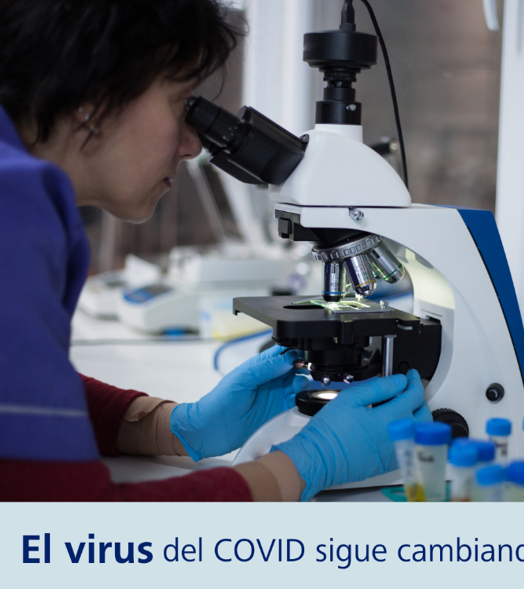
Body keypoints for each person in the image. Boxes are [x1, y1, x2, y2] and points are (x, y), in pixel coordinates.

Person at [0, 0, 428, 502]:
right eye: (182, 103)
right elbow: (73, 537)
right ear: (93, 92)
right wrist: (296, 468)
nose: (190, 145)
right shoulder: (13, 205)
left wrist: (172, 427)